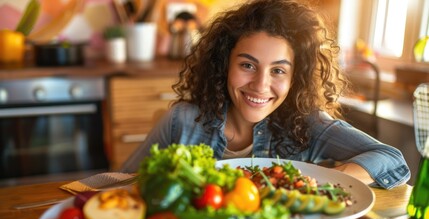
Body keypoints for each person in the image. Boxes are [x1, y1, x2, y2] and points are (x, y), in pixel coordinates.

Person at [121, 0, 410, 189]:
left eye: (278, 71)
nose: (260, 85)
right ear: (224, 64)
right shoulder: (181, 120)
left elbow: (392, 159)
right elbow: (123, 182)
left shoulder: (309, 125)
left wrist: (327, 182)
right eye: (247, 65)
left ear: (295, 78)